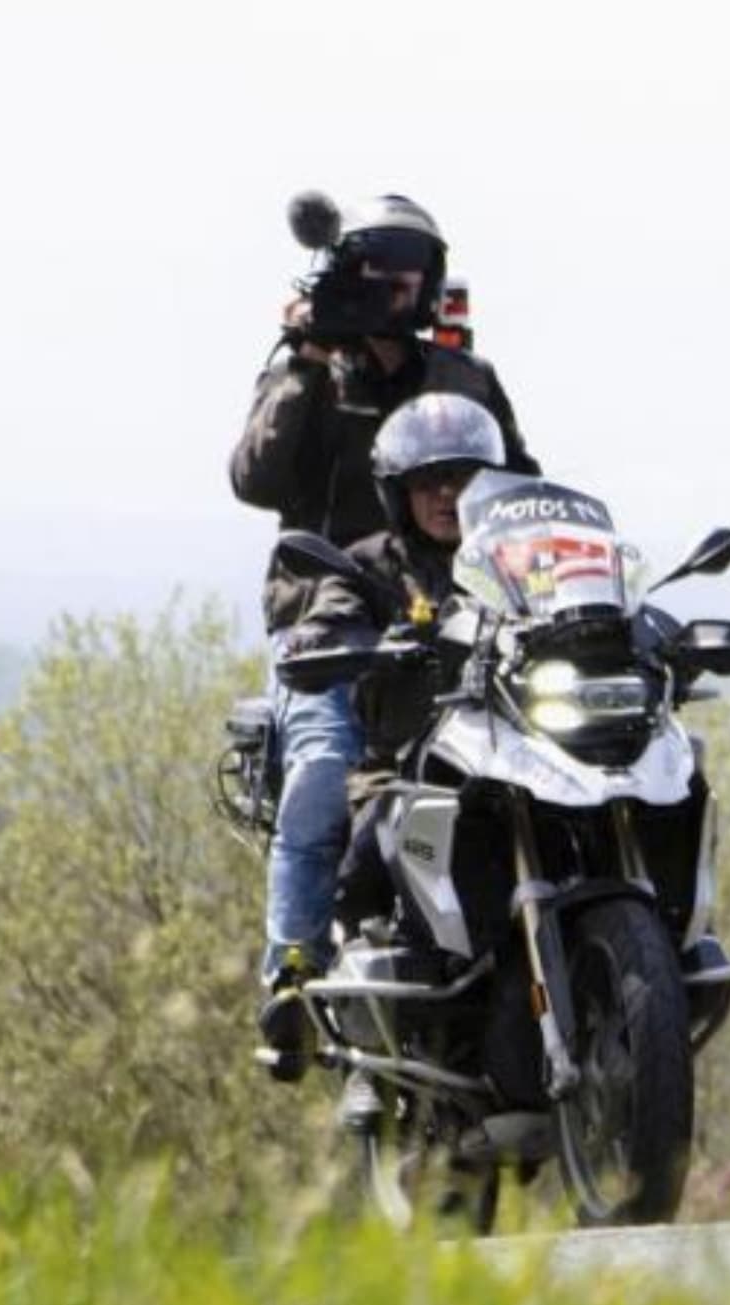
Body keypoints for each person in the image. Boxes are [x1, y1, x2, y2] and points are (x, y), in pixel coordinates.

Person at [228, 193, 539, 1083]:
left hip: (466, 611)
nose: (396, 288)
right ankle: (291, 971)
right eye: (380, 269)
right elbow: (256, 477)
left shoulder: (462, 378)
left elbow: (523, 485)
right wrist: (303, 363)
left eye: (413, 271)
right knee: (325, 772)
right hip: (329, 618)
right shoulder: (309, 367)